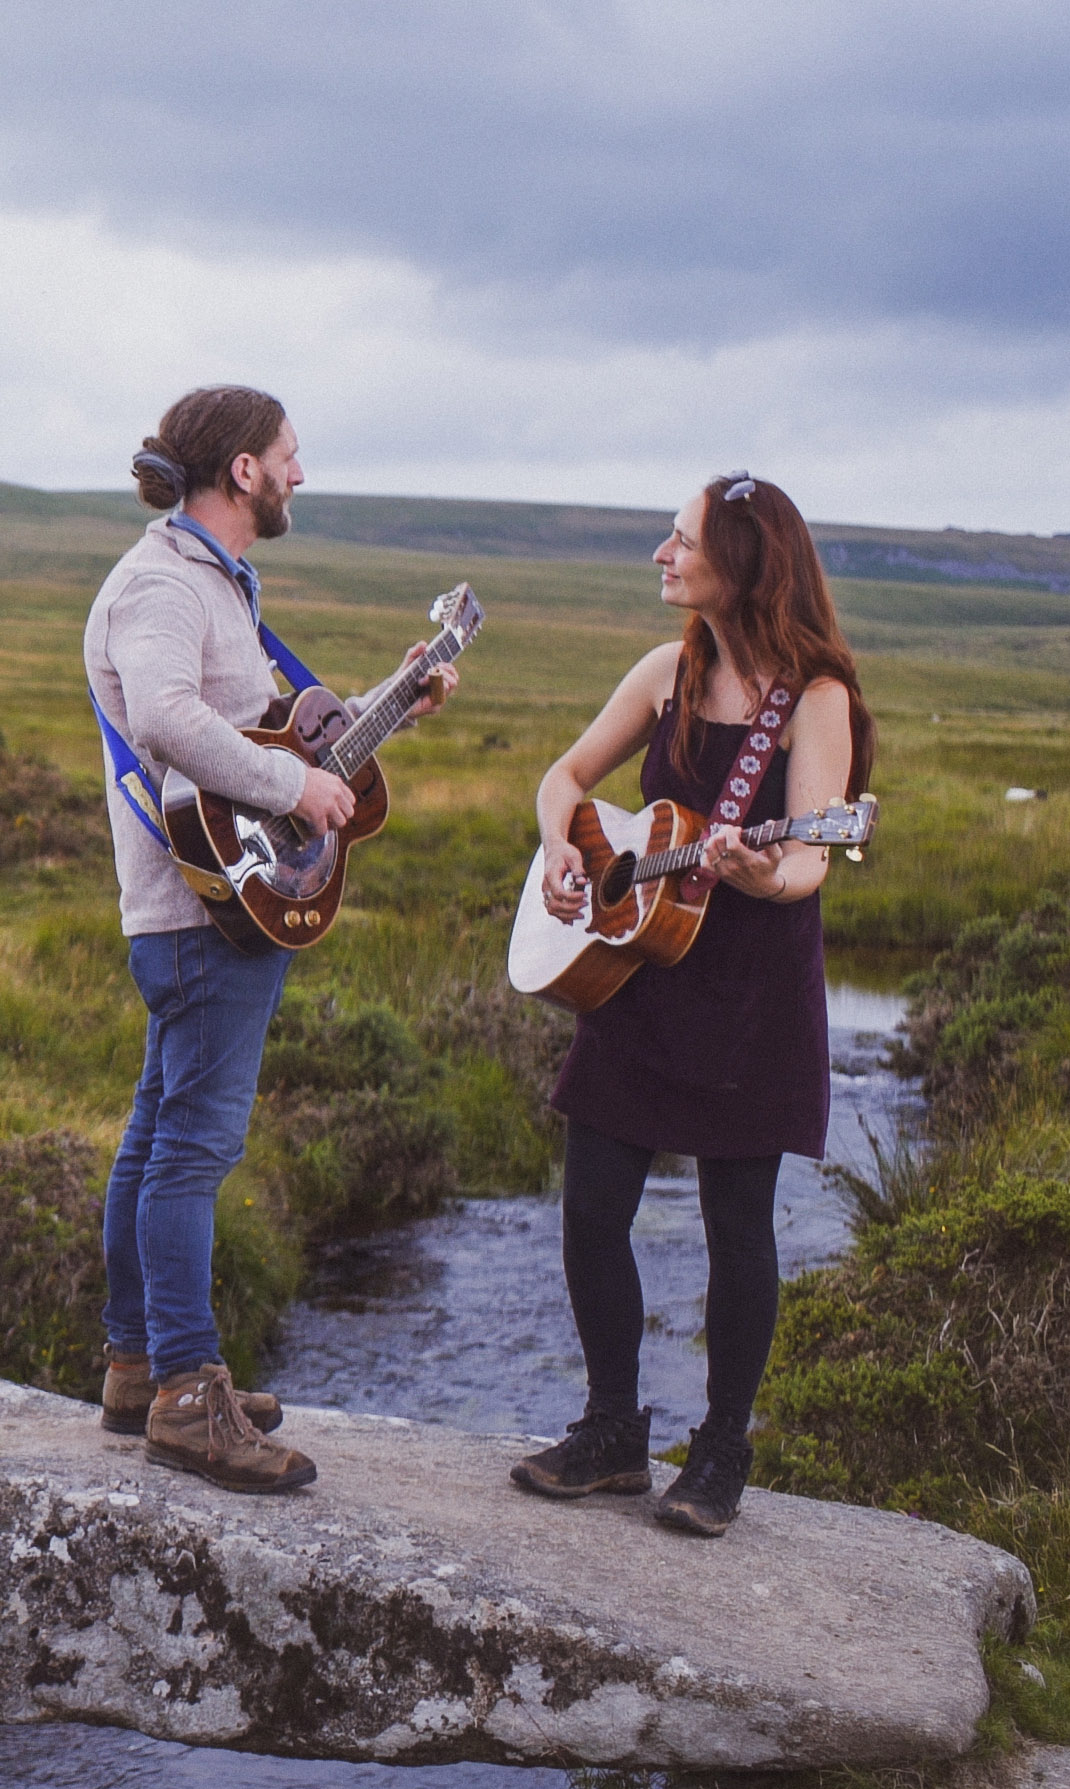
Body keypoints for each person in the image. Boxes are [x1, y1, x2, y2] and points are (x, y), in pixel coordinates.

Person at [85, 385, 456, 1493]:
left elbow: (267, 729)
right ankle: (189, 1398)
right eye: (289, 455)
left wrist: (394, 700)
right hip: (206, 908)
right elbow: (162, 717)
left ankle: (136, 1366)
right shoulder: (162, 583)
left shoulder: (210, 582)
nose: (301, 473)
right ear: (241, 470)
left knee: (158, 1137)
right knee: (191, 1151)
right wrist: (293, 779)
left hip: (209, 906)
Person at [510, 472, 875, 1535]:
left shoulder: (815, 701)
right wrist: (562, 853)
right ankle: (613, 1431)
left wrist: (761, 873)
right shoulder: (667, 669)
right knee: (588, 1215)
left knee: (736, 1229)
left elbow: (811, 854)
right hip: (638, 976)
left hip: (749, 994)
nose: (660, 557)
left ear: (741, 562)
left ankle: (718, 1454)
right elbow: (564, 777)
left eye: (678, 541)